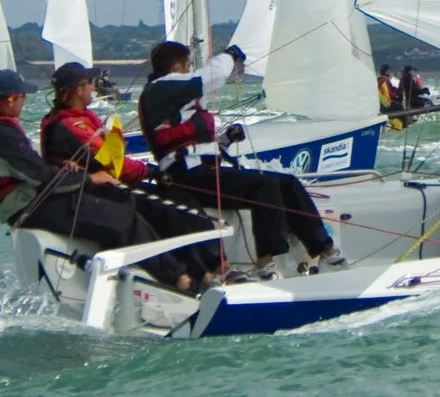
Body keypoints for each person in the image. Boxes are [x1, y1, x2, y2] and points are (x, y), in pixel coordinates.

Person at [0, 71, 218, 291]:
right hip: (28, 206)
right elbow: (38, 175)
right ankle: (179, 280)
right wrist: (89, 177)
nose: (24, 103)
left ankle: (177, 269)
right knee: (122, 217)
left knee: (125, 199)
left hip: (35, 197)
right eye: (23, 98)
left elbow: (31, 169)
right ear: (10, 99)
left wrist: (66, 169)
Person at [138, 39, 343, 274]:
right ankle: (265, 263)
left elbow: (193, 143)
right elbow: (212, 76)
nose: (189, 70)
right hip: (184, 175)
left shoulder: (172, 95)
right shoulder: (162, 87)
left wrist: (225, 139)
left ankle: (325, 249)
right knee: (264, 186)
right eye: (187, 65)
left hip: (201, 170)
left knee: (288, 183)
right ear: (176, 67)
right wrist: (230, 56)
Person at [41, 64, 151, 183]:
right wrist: (148, 171)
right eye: (90, 82)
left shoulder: (60, 118)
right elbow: (112, 162)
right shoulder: (73, 126)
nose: (93, 87)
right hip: (96, 190)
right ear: (79, 90)